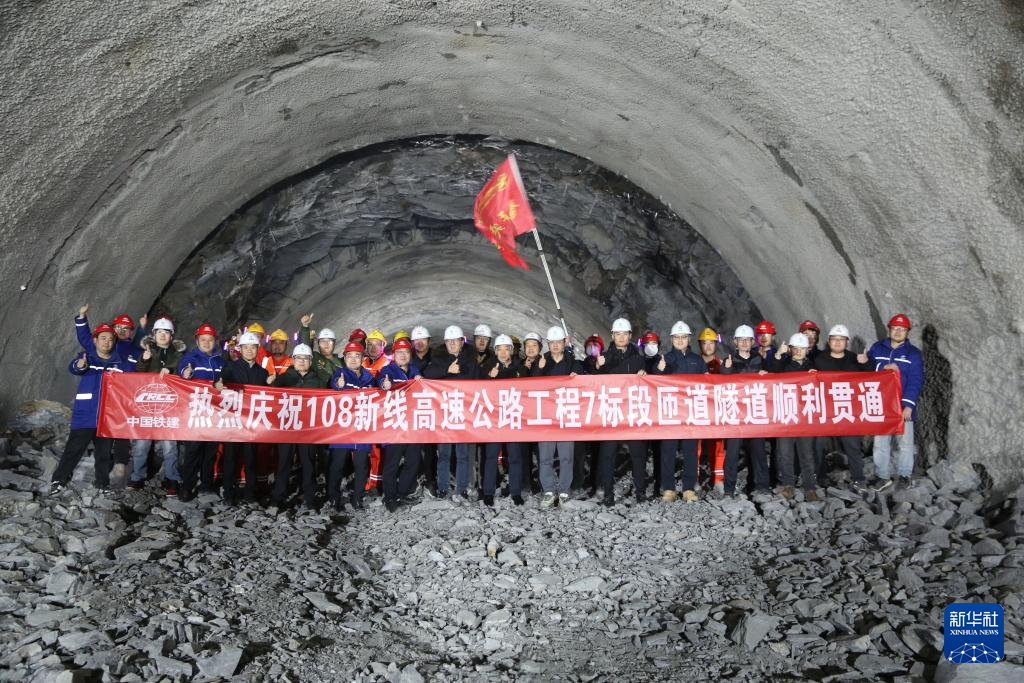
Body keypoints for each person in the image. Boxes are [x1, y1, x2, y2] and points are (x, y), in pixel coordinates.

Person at [50, 321, 135, 494]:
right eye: (103, 338)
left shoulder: (120, 363)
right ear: (95, 340)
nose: (107, 342)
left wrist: (146, 362)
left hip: (107, 416)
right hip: (85, 414)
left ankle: (102, 484)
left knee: (104, 453)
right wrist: (79, 365)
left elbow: (136, 376)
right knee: (73, 449)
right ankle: (59, 480)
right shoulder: (87, 358)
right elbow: (75, 368)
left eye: (110, 339)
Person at [74, 305, 144, 488]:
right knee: (101, 432)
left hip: (121, 396)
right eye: (118, 327)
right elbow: (85, 338)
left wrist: (143, 330)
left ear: (131, 332)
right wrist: (81, 317)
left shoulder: (134, 350)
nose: (122, 331)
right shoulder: (106, 344)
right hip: (101, 395)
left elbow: (143, 367)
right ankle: (101, 468)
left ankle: (120, 462)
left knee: (120, 429)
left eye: (126, 328)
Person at [421, 325, 480, 504]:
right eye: (449, 341)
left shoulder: (471, 361)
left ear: (462, 342)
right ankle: (443, 488)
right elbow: (427, 374)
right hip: (444, 415)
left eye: (455, 341)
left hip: (464, 415)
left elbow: (479, 385)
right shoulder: (439, 359)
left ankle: (461, 489)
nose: (452, 344)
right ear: (445, 343)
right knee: (444, 454)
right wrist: (448, 370)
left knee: (463, 455)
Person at [128, 316, 186, 495]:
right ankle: (137, 477)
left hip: (170, 406)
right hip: (147, 405)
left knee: (170, 445)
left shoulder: (179, 355)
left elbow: (184, 372)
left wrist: (172, 370)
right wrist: (145, 360)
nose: (162, 335)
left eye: (166, 332)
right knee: (142, 443)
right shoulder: (147, 351)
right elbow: (138, 372)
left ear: (171, 335)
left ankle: (172, 478)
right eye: (159, 332)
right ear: (153, 335)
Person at [812, 324, 872, 493]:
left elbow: (872, 379)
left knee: (852, 445)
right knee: (817, 444)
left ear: (846, 342)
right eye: (834, 339)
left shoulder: (855, 359)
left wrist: (866, 364)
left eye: (841, 339)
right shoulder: (819, 360)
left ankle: (858, 479)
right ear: (829, 341)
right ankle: (819, 476)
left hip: (847, 410)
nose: (838, 342)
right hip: (825, 411)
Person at [595, 317, 648, 506]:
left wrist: (644, 374)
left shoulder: (638, 358)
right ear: (612, 336)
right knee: (608, 454)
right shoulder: (605, 357)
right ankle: (608, 494)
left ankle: (640, 492)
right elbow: (594, 381)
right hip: (612, 411)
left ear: (630, 335)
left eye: (624, 334)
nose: (621, 337)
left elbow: (647, 382)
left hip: (632, 412)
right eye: (618, 334)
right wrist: (598, 367)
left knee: (638, 453)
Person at [216, 331, 274, 505]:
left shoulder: (262, 373)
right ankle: (228, 493)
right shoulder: (230, 367)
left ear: (258, 349)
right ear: (240, 349)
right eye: (246, 347)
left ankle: (250, 494)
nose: (249, 350)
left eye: (253, 347)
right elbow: (220, 381)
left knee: (250, 458)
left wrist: (272, 384)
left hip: (251, 423)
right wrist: (218, 384)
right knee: (230, 457)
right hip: (234, 421)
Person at [869, 313, 924, 492]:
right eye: (895, 328)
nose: (898, 332)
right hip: (881, 404)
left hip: (902, 405)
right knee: (880, 443)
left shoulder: (913, 354)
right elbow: (866, 369)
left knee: (905, 443)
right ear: (889, 329)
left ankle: (904, 475)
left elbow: (916, 380)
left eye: (902, 329)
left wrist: (908, 405)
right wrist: (881, 367)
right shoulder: (877, 348)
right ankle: (882, 476)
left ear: (907, 332)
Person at [272, 344, 329, 509]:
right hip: (287, 429)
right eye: (299, 358)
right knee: (284, 463)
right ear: (293, 360)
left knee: (308, 464)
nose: (302, 361)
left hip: (308, 430)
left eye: (306, 358)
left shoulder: (318, 382)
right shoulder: (282, 379)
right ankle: (279, 497)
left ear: (311, 361)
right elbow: (270, 400)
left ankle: (309, 498)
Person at [532, 326, 583, 508]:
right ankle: (548, 491)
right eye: (552, 342)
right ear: (548, 344)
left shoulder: (573, 363)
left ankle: (564, 490)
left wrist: (577, 376)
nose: (555, 345)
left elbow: (582, 383)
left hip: (565, 416)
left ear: (564, 343)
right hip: (546, 417)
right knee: (545, 458)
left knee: (566, 457)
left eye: (558, 342)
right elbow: (530, 385)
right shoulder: (542, 362)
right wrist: (539, 370)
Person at [654, 321, 706, 503]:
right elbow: (653, 383)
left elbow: (707, 383)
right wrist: (659, 371)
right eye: (677, 337)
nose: (680, 340)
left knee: (690, 451)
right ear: (672, 339)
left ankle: (688, 488)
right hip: (671, 412)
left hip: (691, 412)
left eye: (683, 337)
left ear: (689, 339)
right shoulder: (665, 359)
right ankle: (669, 489)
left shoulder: (697, 360)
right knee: (668, 451)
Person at [177, 323, 226, 502]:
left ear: (215, 341)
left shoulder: (220, 361)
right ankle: (187, 486)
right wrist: (186, 373)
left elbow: (227, 380)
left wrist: (223, 384)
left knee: (210, 451)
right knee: (193, 450)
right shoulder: (191, 357)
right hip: (196, 413)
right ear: (197, 341)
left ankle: (206, 485)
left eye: (210, 340)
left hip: (214, 413)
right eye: (203, 339)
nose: (206, 343)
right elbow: (183, 370)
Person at [720, 324, 770, 498]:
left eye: (747, 340)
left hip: (755, 413)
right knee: (733, 453)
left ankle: (762, 486)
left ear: (752, 342)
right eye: (741, 340)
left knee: (759, 451)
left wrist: (765, 374)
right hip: (736, 415)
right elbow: (723, 382)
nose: (744, 343)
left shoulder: (759, 360)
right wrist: (727, 370)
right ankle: (729, 489)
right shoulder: (729, 360)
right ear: (735, 342)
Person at [770, 333, 820, 501]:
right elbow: (772, 371)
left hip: (805, 417)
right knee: (784, 453)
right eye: (795, 348)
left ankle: (810, 488)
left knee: (807, 454)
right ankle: (788, 485)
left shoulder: (813, 367)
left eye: (802, 348)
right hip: (786, 416)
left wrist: (816, 376)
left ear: (807, 350)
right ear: (790, 349)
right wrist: (778, 354)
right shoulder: (783, 365)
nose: (799, 351)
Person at [378, 338, 423, 512]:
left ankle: (402, 492)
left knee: (413, 460)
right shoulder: (387, 370)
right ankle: (390, 497)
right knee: (392, 462)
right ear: (394, 355)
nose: (403, 355)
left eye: (406, 352)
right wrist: (385, 385)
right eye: (399, 352)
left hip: (411, 425)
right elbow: (382, 383)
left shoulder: (414, 370)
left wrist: (421, 381)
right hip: (394, 425)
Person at [329, 341, 376, 510]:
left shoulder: (370, 378)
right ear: (345, 358)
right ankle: (334, 497)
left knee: (362, 465)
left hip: (362, 427)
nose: (354, 359)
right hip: (342, 428)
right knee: (338, 464)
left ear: (363, 358)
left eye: (357, 356)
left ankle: (357, 498)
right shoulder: (339, 374)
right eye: (350, 356)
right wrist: (338, 386)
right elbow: (334, 385)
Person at [697, 327, 726, 493]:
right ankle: (694, 478)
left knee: (717, 446)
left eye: (711, 343)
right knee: (695, 446)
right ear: (700, 345)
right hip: (698, 411)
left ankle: (718, 479)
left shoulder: (722, 365)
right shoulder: (694, 364)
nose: (708, 346)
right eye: (705, 343)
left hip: (716, 412)